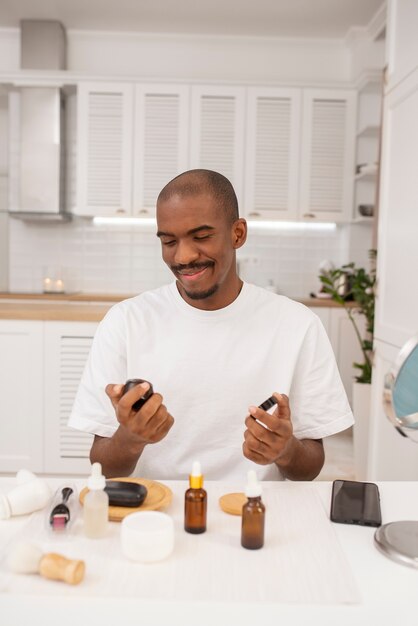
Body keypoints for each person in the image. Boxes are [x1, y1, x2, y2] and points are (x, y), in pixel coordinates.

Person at [69, 169, 354, 481]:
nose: (184, 255)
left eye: (201, 237)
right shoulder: (125, 321)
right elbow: (104, 467)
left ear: (238, 234)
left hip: (251, 510)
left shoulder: (299, 326)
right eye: (168, 241)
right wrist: (131, 438)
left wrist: (284, 450)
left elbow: (309, 468)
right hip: (157, 513)